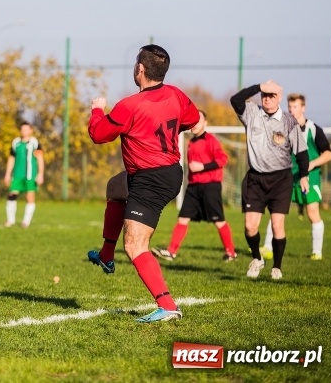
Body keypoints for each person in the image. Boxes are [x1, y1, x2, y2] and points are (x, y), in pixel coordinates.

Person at [87, 44, 200, 323]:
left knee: (136, 245)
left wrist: (97, 111)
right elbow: (193, 119)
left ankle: (167, 305)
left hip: (151, 179)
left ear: (140, 69)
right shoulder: (176, 94)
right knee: (115, 188)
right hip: (168, 171)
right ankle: (106, 255)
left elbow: (99, 135)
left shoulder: (130, 105)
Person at [230, 80, 309, 281]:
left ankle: (277, 267)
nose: (267, 98)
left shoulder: (289, 121)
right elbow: (235, 99)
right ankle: (257, 259)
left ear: (279, 97)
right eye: (264, 95)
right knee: (250, 226)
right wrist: (259, 86)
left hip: (280, 179)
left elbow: (301, 152)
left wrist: (304, 175)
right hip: (255, 178)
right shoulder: (252, 113)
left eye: (272, 95)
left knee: (277, 225)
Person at [151, 110, 237, 262]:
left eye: (199, 120)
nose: (195, 123)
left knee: (218, 221)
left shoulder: (211, 140)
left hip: (210, 186)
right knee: (182, 219)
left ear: (205, 123)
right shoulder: (191, 142)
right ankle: (171, 252)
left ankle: (230, 252)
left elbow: (223, 160)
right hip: (193, 187)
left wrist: (203, 167)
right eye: (194, 120)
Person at [260, 93, 331, 261]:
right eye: (290, 107)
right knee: (276, 211)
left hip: (310, 178)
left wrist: (311, 164)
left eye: (296, 107)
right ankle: (268, 248)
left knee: (312, 212)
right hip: (286, 177)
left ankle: (316, 252)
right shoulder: (284, 127)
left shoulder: (314, 129)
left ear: (303, 108)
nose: (292, 110)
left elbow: (328, 154)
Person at [3, 122, 44, 228]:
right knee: (11, 195)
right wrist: (7, 174)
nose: (24, 131)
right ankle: (10, 221)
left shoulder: (35, 142)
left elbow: (40, 159)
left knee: (30, 197)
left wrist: (40, 174)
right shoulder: (15, 142)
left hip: (30, 175)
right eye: (22, 129)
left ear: (31, 130)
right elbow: (11, 158)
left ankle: (26, 222)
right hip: (17, 175)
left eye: (26, 129)